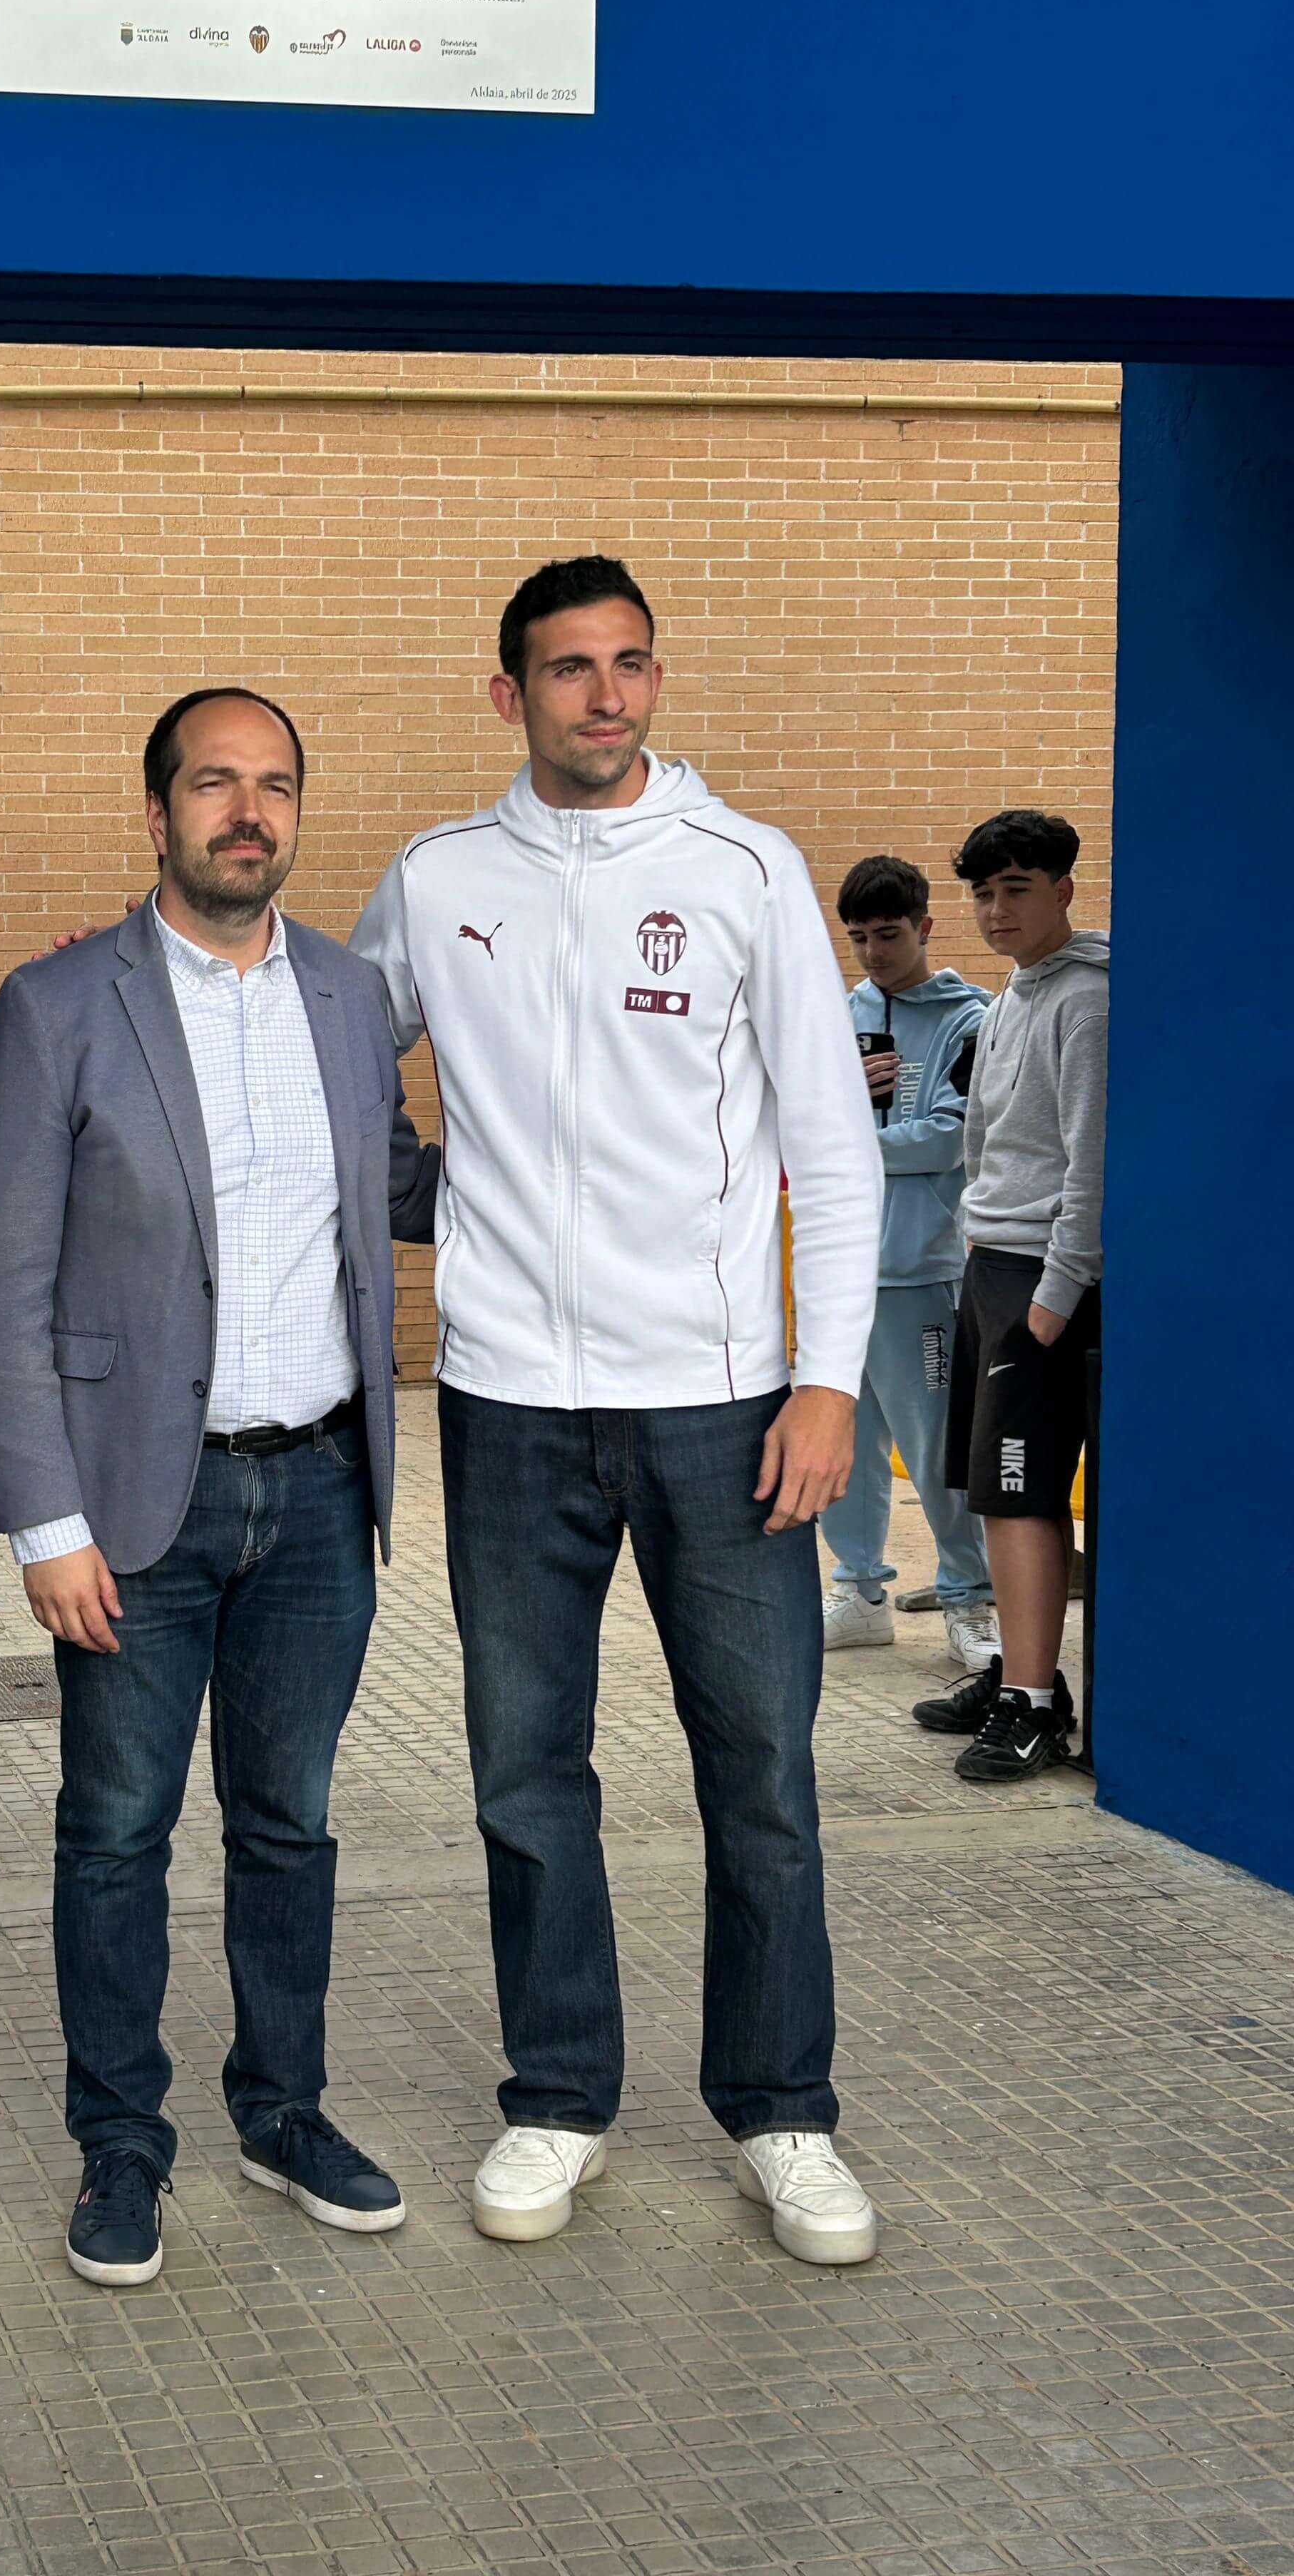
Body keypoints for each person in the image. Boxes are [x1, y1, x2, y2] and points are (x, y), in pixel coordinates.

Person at [350, 555, 887, 2267]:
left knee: (767, 1778)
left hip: (728, 1408)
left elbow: (834, 1143)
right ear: (507, 694)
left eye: (630, 666)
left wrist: (826, 1383)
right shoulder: (439, 880)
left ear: (657, 680)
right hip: (510, 1405)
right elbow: (329, 1070)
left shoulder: (744, 870)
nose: (605, 696)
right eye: (568, 670)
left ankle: (782, 2115)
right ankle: (559, 2097)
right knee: (525, 1770)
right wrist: (434, 1198)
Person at [0, 689, 439, 2289]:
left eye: (277, 785)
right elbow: (1, 1288)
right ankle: (122, 2141)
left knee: (290, 1827)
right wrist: (46, 1523)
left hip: (317, 1496)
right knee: (115, 1830)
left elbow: (410, 1186)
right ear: (154, 811)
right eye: (217, 784)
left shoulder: (356, 999)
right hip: (131, 1517)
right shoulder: (57, 1005)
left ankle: (281, 2110)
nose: (251, 811)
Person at [909, 810, 1107, 1779]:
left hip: (1041, 1279)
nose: (996, 910)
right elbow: (986, 1143)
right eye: (983, 895)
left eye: (1016, 890)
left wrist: (1057, 1291)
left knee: (1027, 1493)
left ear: (1064, 888)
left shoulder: (1088, 1004)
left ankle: (1034, 1705)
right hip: (990, 1265)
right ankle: (1023, 1673)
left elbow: (1092, 1160)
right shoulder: (1017, 995)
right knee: (994, 1487)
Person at [818, 857, 995, 1665]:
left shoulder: (970, 1021)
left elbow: (957, 1137)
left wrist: (849, 1137)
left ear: (924, 926)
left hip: (918, 1272)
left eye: (887, 935)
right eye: (857, 938)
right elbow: (793, 1122)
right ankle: (858, 1590)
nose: (872, 953)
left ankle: (969, 1594)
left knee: (934, 1450)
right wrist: (844, 1107)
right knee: (839, 1445)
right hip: (834, 1272)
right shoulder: (832, 1014)